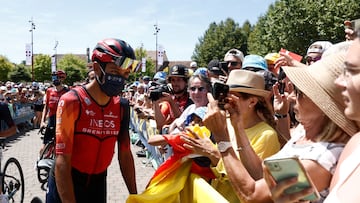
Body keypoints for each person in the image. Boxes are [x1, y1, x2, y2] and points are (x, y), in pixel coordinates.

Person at [201, 51, 358, 202]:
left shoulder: (322, 157)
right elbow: (261, 174)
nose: (293, 97)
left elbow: (253, 195)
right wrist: (237, 125)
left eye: (301, 92)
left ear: (323, 106)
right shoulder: (305, 133)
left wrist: (222, 139)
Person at [267, 30, 360, 203]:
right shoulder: (355, 145)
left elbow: (252, 193)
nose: (340, 82)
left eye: (353, 71)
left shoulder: (339, 148)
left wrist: (224, 143)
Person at [46, 38, 138, 203]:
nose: (121, 78)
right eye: (115, 71)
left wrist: (135, 195)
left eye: (125, 73)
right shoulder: (71, 101)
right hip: (67, 179)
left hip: (98, 182)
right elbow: (62, 161)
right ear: (97, 68)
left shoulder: (122, 106)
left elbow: (125, 154)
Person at [182, 70, 281, 202]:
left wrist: (214, 154)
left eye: (232, 97)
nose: (225, 101)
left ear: (252, 102)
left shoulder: (266, 135)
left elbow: (256, 181)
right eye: (224, 95)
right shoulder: (225, 123)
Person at [40, 70, 69, 151]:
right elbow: (46, 107)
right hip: (51, 119)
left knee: (61, 149)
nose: (54, 79)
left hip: (63, 121)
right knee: (43, 148)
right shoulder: (49, 91)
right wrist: (42, 122)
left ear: (62, 79)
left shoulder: (67, 92)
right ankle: (39, 161)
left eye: (56, 77)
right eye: (53, 77)